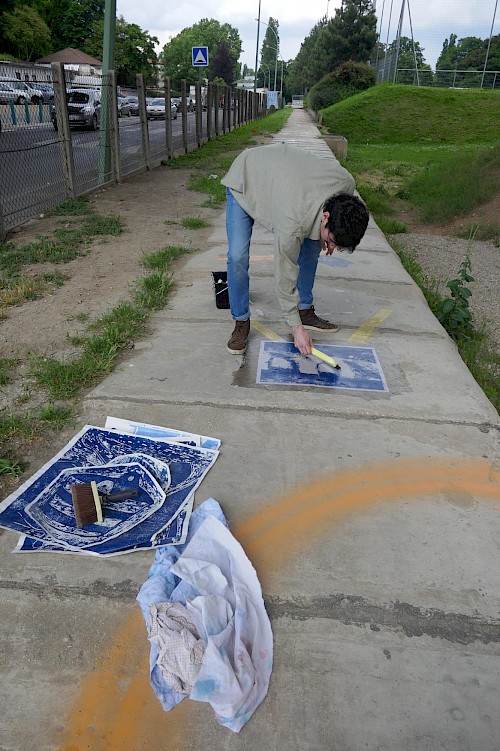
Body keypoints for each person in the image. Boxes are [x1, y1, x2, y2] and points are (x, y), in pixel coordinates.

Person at [221, 142, 369, 356]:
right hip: (246, 178)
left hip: (285, 178)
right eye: (332, 240)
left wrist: (329, 239)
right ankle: (241, 321)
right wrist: (296, 328)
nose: (332, 247)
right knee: (237, 257)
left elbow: (328, 222)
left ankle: (305, 310)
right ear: (325, 216)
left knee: (312, 246)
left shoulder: (346, 184)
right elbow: (284, 274)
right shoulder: (293, 222)